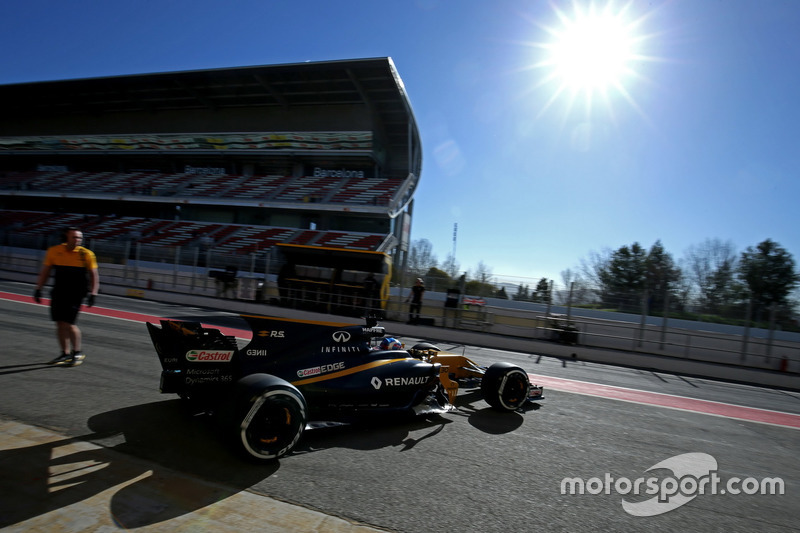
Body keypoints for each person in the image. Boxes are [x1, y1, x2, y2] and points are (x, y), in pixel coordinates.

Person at [34, 227, 99, 366]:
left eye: (79, 238)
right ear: (65, 238)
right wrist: (38, 288)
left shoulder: (86, 254)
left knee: (69, 323)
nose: (78, 240)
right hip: (59, 292)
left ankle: (77, 352)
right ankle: (64, 353)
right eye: (74, 237)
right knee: (59, 323)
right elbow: (45, 272)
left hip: (76, 294)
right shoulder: (54, 251)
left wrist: (93, 293)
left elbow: (94, 275)